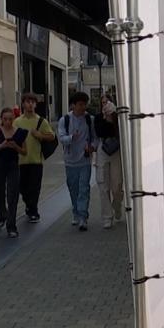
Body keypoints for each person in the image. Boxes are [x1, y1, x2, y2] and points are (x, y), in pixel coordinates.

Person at [14, 93, 56, 223]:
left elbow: (52, 136)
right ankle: (28, 205)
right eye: (27, 102)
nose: (30, 104)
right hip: (21, 161)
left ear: (36, 105)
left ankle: (33, 211)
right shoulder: (18, 121)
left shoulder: (41, 121)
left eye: (33, 102)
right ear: (23, 104)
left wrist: (40, 135)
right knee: (22, 187)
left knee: (34, 187)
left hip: (36, 161)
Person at [57, 92, 96, 231]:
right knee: (73, 188)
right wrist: (72, 137)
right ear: (73, 105)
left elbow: (95, 138)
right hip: (70, 161)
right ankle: (76, 212)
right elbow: (61, 137)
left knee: (84, 189)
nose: (83, 107)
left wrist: (92, 147)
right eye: (80, 104)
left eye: (85, 104)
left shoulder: (89, 119)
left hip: (85, 160)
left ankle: (83, 217)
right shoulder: (65, 120)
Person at [0, 108, 28, 238]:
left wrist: (15, 146)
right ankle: (1, 214)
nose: (8, 122)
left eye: (10, 119)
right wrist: (2, 146)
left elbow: (24, 151)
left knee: (13, 194)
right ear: (1, 119)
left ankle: (12, 226)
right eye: (5, 119)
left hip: (13, 166)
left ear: (14, 119)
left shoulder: (20, 133)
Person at [95, 99, 123, 229]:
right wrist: (106, 119)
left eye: (107, 102)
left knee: (117, 185)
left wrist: (113, 118)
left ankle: (117, 205)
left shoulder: (119, 118)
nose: (105, 105)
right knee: (103, 185)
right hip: (103, 150)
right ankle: (107, 216)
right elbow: (100, 132)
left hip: (117, 150)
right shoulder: (98, 118)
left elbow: (118, 133)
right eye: (103, 103)